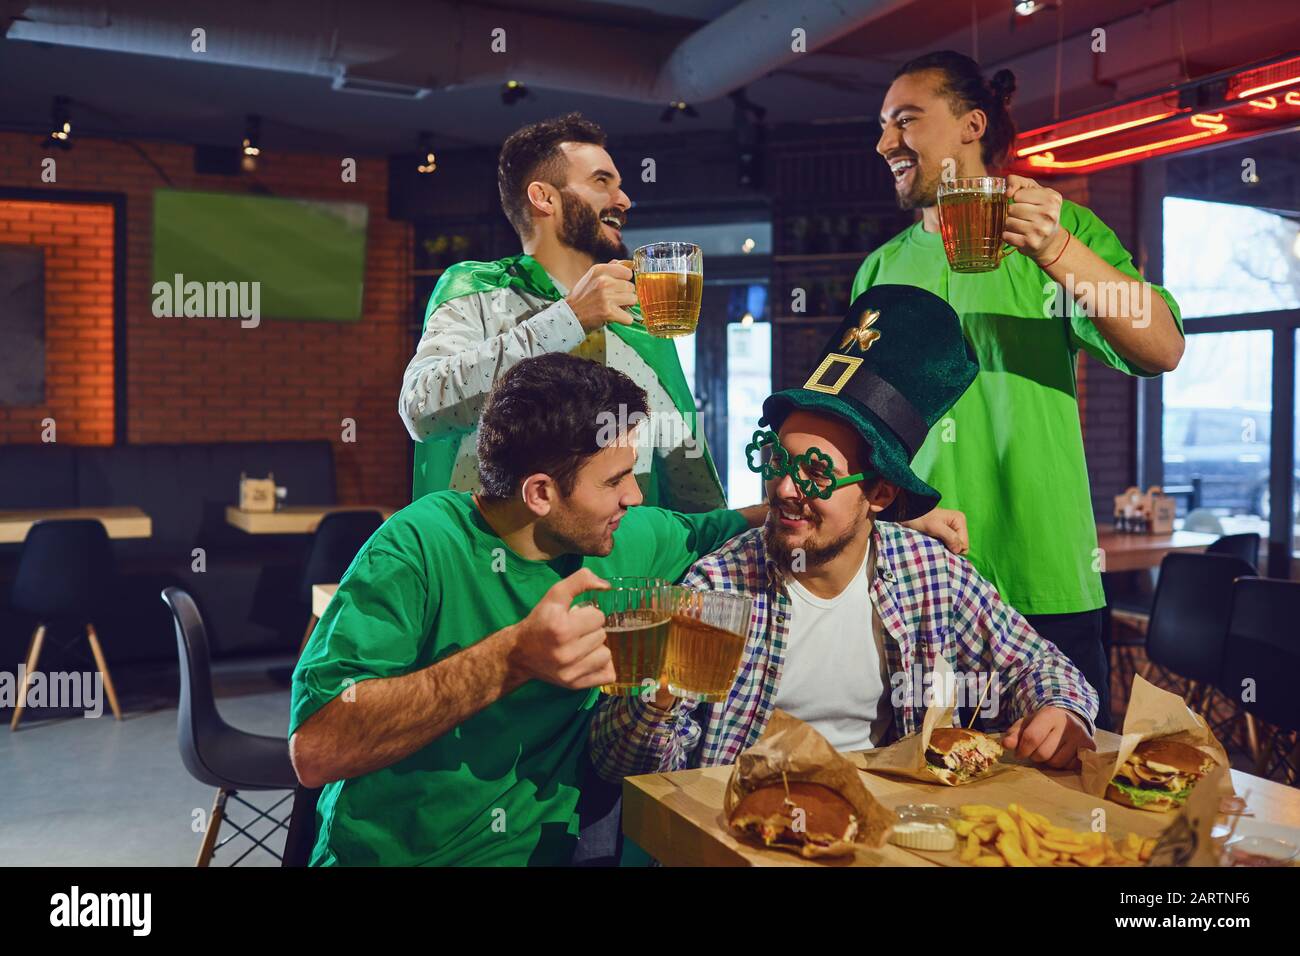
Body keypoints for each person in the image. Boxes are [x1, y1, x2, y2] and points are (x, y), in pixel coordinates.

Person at [589, 285, 1099, 780]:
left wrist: (1063, 711)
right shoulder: (717, 588)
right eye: (778, 463)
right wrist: (656, 699)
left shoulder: (929, 573)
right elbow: (623, 767)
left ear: (878, 495)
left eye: (816, 472)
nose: (785, 488)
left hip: (885, 820)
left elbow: (1037, 665)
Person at [291, 353, 767, 865]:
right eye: (615, 481)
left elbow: (739, 525)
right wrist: (513, 658)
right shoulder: (417, 545)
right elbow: (318, 750)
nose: (634, 496)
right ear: (540, 493)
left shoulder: (627, 537)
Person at [854, 51, 1185, 728]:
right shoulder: (880, 269)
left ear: (972, 126)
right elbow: (861, 428)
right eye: (885, 126)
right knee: (918, 805)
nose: (886, 142)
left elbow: (1162, 348)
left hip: (1045, 577)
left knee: (1059, 807)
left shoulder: (1061, 237)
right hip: (915, 578)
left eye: (906, 121)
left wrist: (1058, 251)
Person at [399, 112, 725, 512]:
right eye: (602, 182)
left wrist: (719, 546)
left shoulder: (639, 314)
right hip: (496, 563)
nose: (623, 201)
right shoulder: (478, 291)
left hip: (623, 565)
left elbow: (685, 467)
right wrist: (569, 319)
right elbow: (421, 410)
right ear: (545, 197)